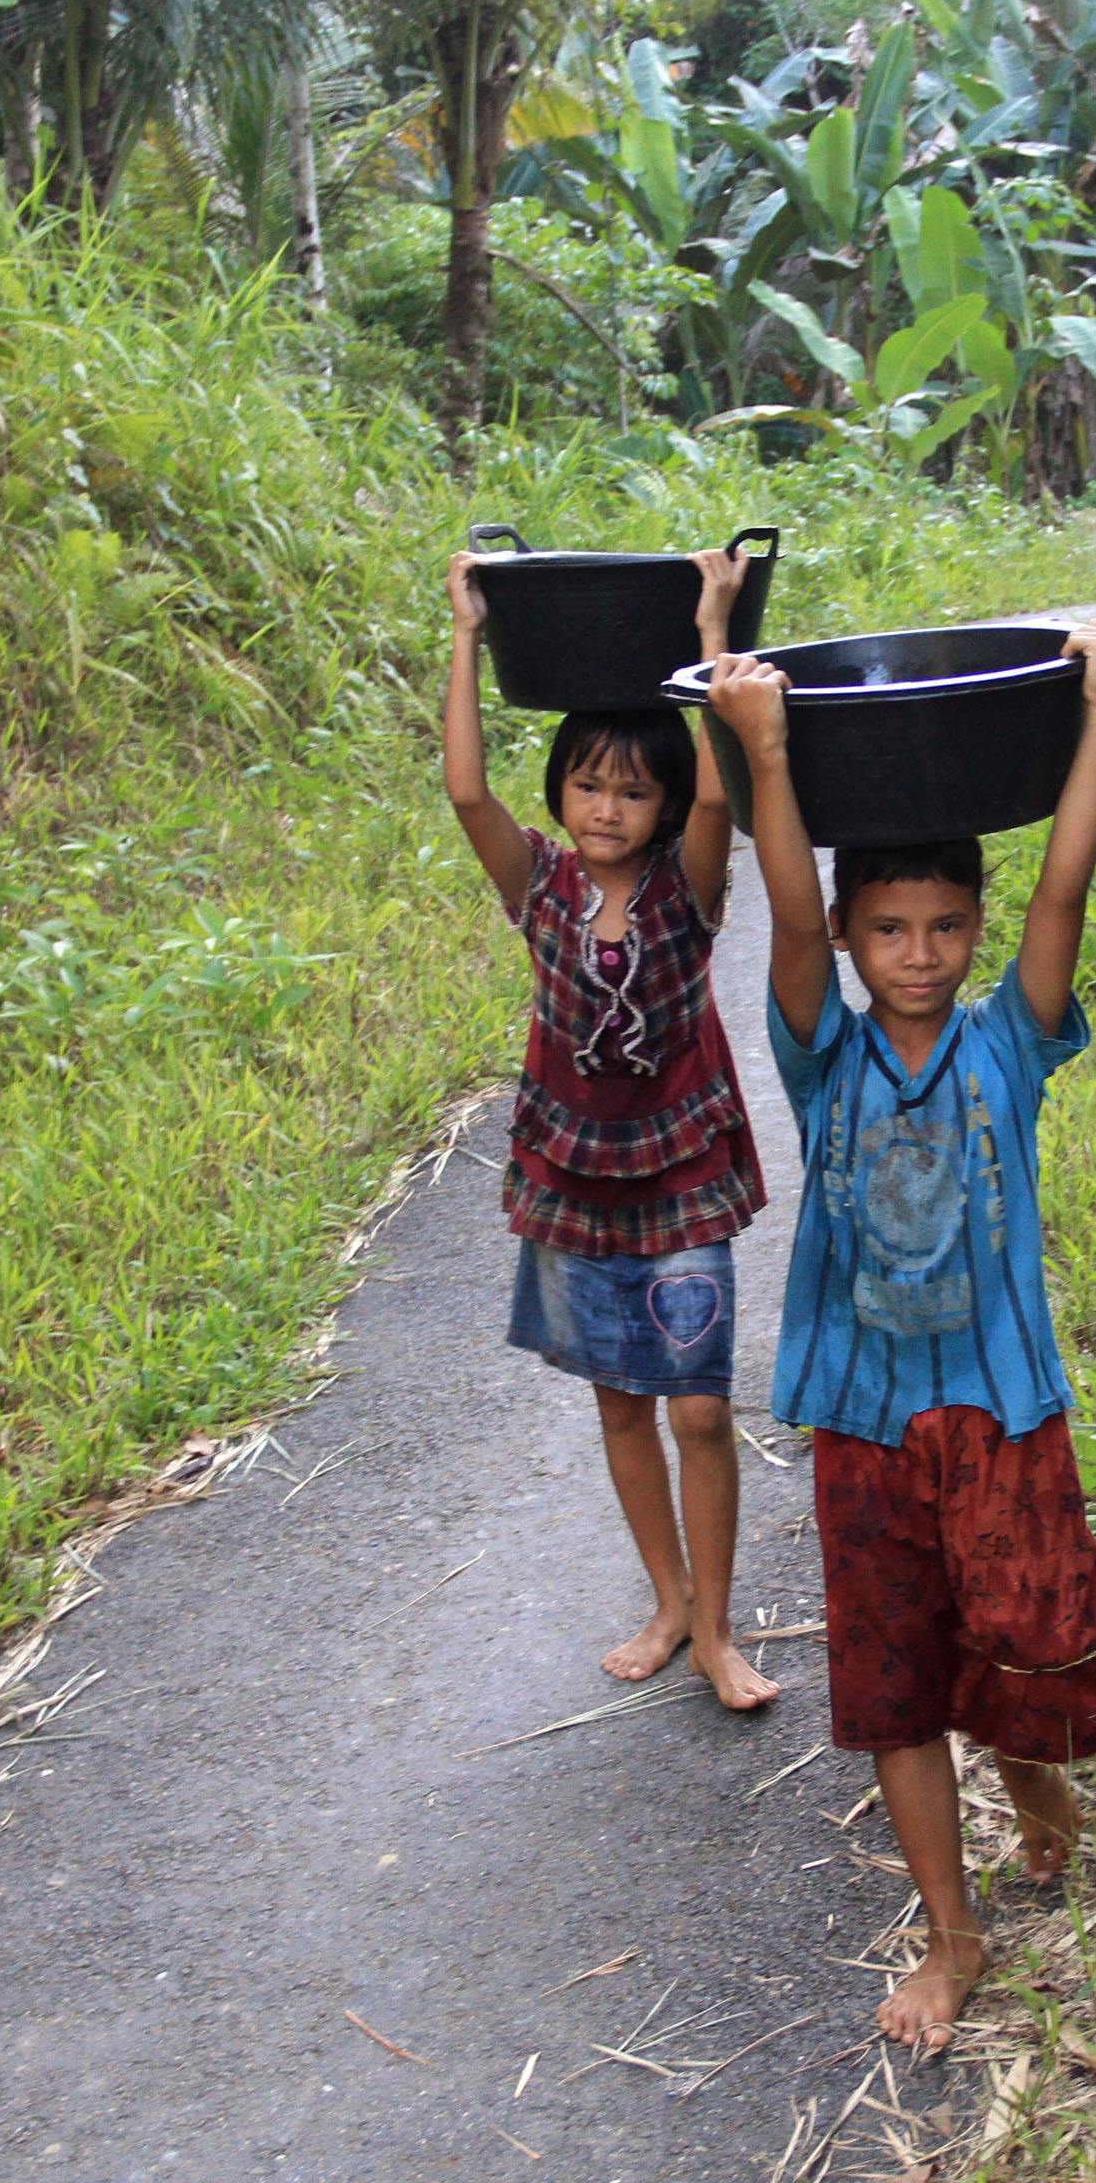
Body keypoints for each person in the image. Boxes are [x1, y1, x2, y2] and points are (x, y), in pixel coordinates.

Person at [707, 625, 1096, 2052]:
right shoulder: (820, 1049)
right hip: (863, 1419)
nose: (919, 954)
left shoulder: (1009, 1042)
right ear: (852, 942)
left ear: (973, 928)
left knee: (1022, 1656)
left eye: (945, 927)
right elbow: (779, 913)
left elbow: (1066, 886)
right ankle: (951, 1943)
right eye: (888, 930)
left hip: (1000, 1408)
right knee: (897, 1681)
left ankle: (1033, 1782)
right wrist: (769, 753)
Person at [443, 546, 779, 1713]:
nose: (606, 808)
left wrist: (709, 617)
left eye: (633, 791)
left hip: (679, 1162)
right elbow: (465, 793)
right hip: (574, 1171)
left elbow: (724, 794)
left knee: (700, 1405)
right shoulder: (535, 885)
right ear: (562, 791)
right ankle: (669, 1596)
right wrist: (469, 632)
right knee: (619, 1398)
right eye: (588, 784)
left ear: (665, 807)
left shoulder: (692, 890)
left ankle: (718, 1630)